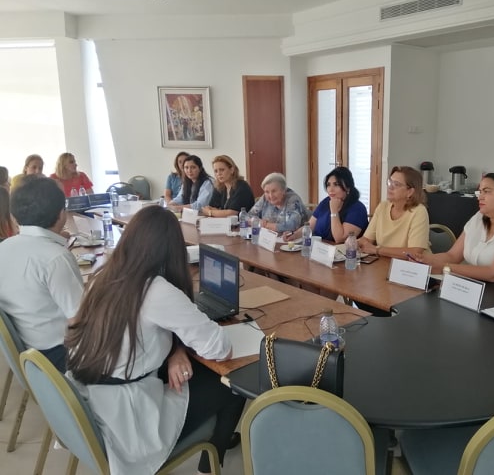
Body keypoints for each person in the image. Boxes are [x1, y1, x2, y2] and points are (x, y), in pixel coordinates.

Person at [65, 206, 245, 475]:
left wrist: (176, 350)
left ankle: (218, 435)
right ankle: (209, 465)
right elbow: (220, 348)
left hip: (95, 398)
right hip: (129, 420)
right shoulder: (156, 291)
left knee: (198, 373)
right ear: (173, 251)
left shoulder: (103, 275)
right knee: (232, 384)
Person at [0, 177, 83, 372]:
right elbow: (80, 320)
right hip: (59, 356)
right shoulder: (55, 257)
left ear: (14, 214)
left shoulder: (4, 247)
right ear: (62, 214)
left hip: (27, 350)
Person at [414, 170, 494, 297]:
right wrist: (424, 260)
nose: (480, 197)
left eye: (487, 191)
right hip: (480, 293)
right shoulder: (479, 218)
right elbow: (452, 256)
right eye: (480, 191)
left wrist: (445, 268)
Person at [358, 166, 429, 258]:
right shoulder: (382, 207)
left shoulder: (419, 211)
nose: (390, 187)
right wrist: (354, 243)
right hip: (384, 262)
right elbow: (367, 240)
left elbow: (415, 252)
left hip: (411, 265)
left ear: (410, 192)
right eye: (390, 182)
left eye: (396, 184)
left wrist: (377, 250)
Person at [286, 166, 368, 243]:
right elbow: (310, 226)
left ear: (348, 188)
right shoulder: (326, 201)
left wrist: (334, 211)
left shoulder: (358, 209)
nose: (330, 189)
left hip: (343, 251)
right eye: (328, 185)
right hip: (320, 249)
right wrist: (294, 235)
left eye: (336, 184)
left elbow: (339, 239)